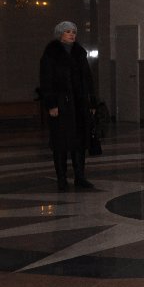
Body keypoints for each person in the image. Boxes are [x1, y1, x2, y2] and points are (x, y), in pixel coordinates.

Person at [39, 21, 95, 190]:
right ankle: (62, 179)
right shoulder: (51, 53)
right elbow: (46, 80)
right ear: (60, 34)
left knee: (80, 142)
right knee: (60, 143)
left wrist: (91, 102)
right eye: (68, 32)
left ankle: (80, 177)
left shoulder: (79, 53)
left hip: (79, 105)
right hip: (61, 105)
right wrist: (51, 104)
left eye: (74, 32)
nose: (72, 34)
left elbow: (88, 79)